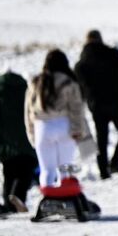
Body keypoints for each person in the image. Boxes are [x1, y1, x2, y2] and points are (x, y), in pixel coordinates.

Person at [73, 29, 118, 179]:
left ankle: (104, 171)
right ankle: (115, 162)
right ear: (100, 39)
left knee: (102, 138)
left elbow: (79, 88)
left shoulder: (81, 63)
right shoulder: (112, 54)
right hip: (117, 100)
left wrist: (82, 105)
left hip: (96, 105)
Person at [24, 49, 94, 189]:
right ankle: (65, 196)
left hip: (42, 127)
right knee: (65, 168)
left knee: (46, 170)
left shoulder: (36, 82)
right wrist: (77, 129)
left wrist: (32, 135)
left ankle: (48, 197)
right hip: (64, 126)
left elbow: (28, 111)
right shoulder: (69, 82)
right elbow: (76, 108)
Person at [0, 65, 39, 209]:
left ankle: (9, 204)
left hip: (5, 140)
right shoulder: (26, 88)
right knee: (26, 169)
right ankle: (17, 198)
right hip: (26, 136)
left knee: (9, 172)